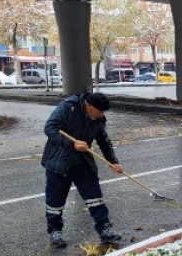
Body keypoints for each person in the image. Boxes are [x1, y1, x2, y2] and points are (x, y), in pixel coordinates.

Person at [41, 92, 123, 248]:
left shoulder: (98, 118)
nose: (102, 114)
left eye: (103, 112)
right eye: (99, 110)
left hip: (83, 161)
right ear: (89, 106)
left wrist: (112, 161)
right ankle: (55, 231)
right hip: (59, 162)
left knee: (94, 196)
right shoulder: (69, 107)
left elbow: (104, 140)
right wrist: (71, 144)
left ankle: (105, 229)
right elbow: (50, 128)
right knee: (55, 200)